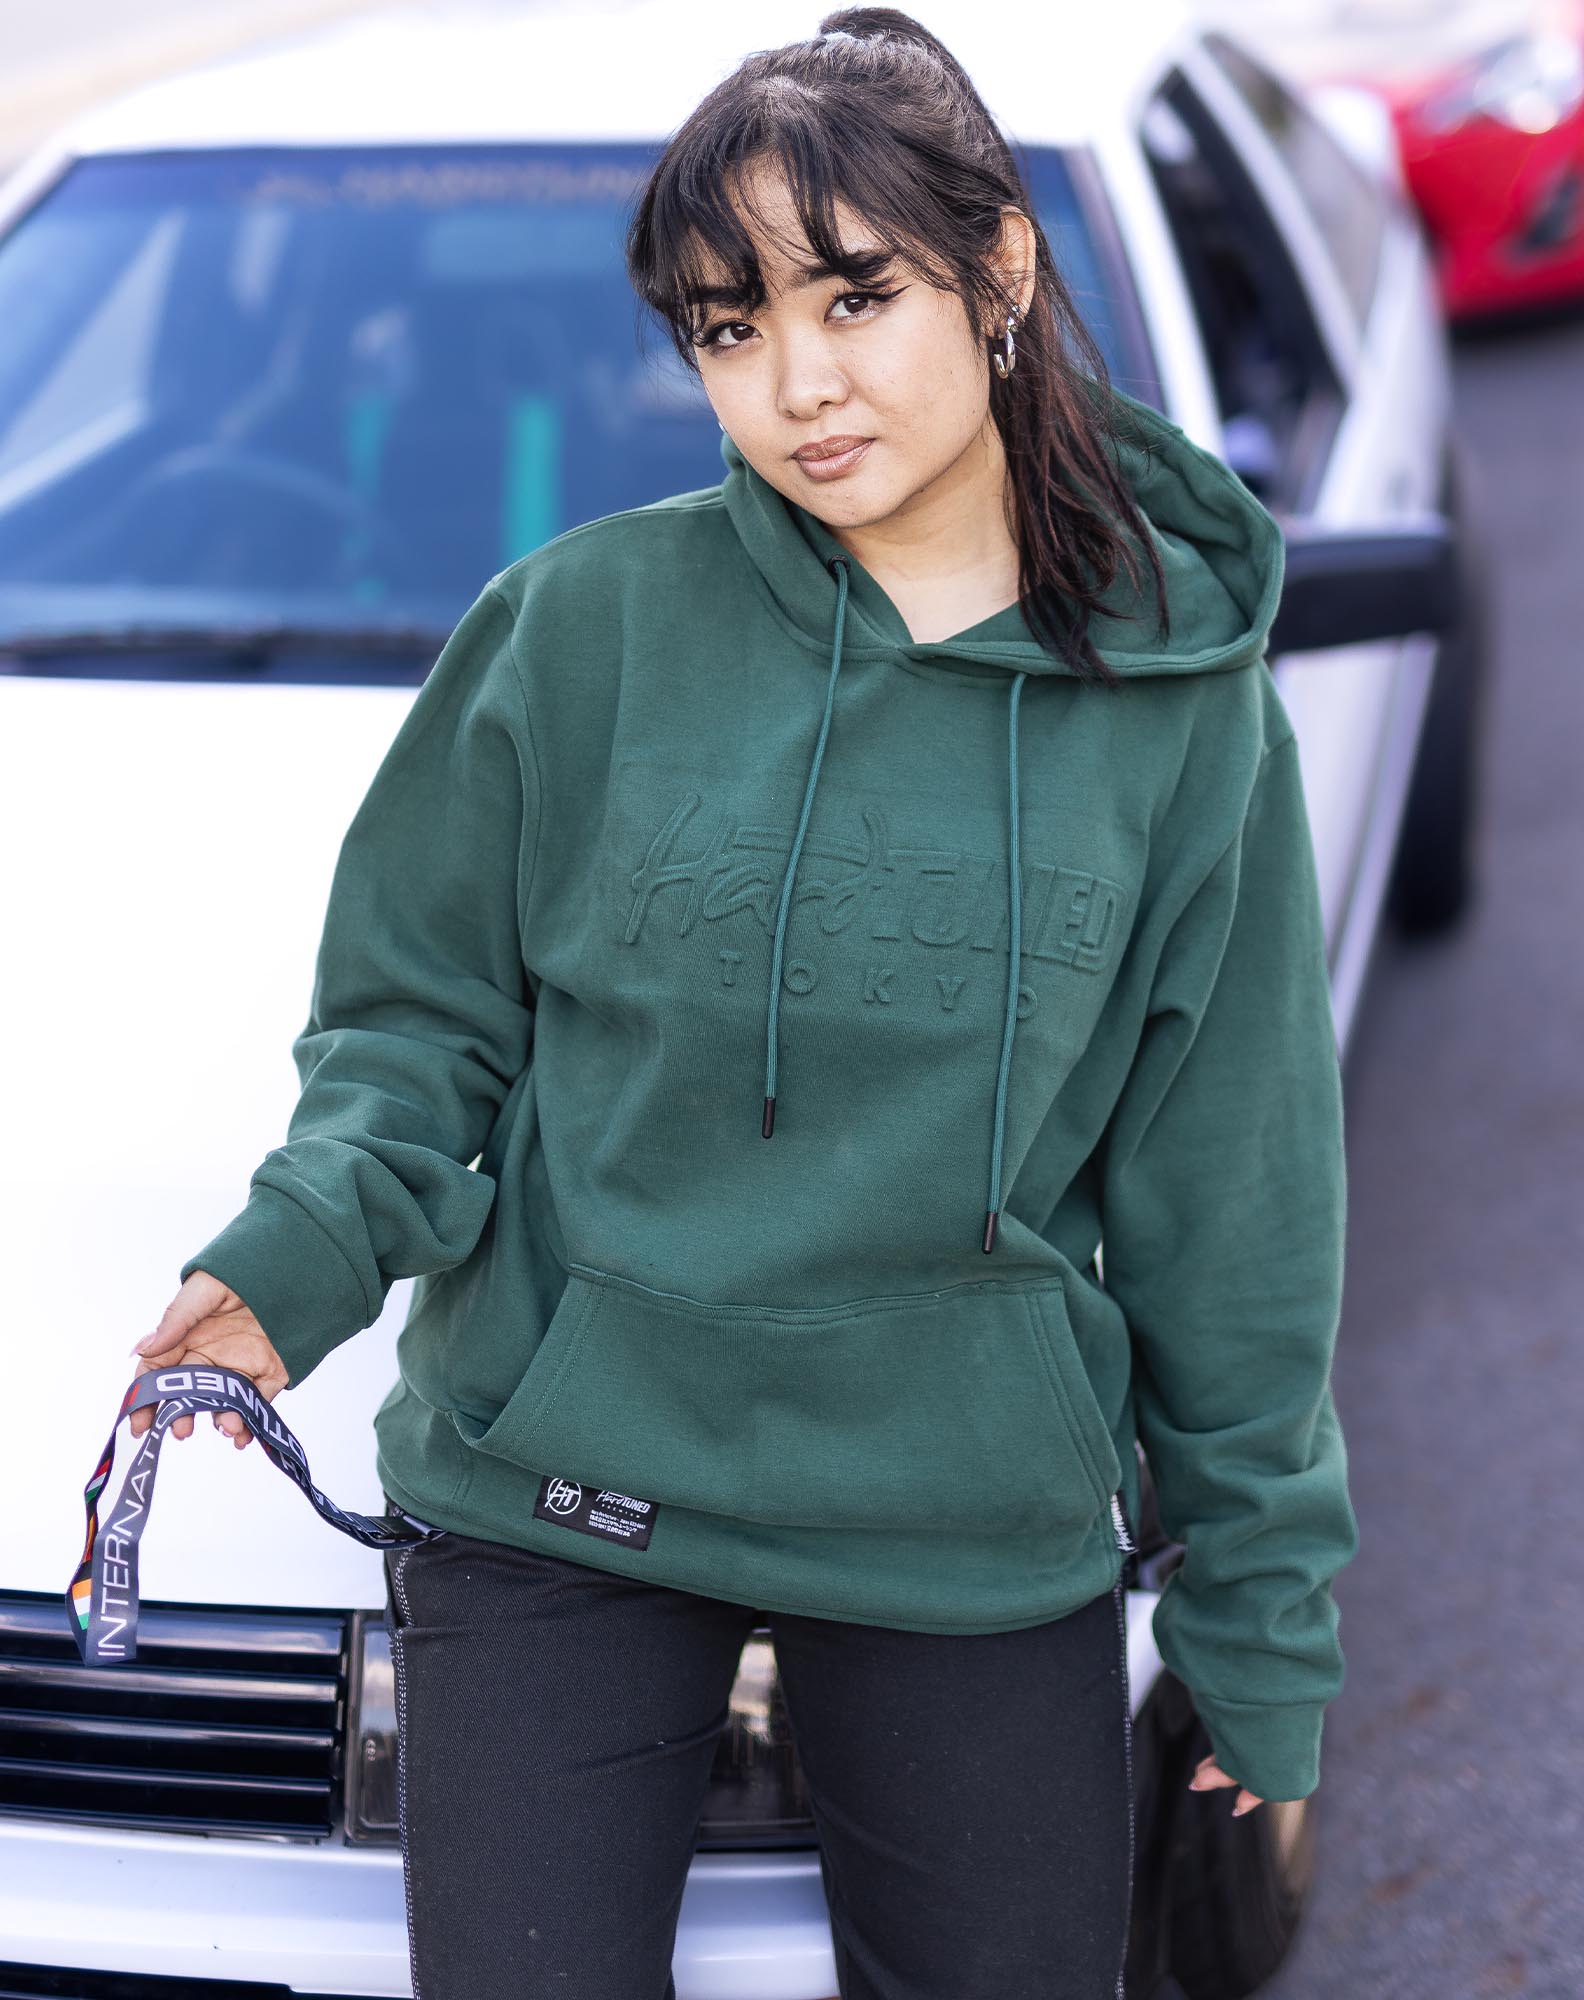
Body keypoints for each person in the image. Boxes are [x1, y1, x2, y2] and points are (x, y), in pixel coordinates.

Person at [127, 9, 1359, 1996]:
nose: (796, 384)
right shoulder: (580, 631)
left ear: (999, 271)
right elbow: (418, 1024)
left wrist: (1260, 1625)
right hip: (560, 1487)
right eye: (726, 327)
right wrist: (304, 1249)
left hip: (961, 1514)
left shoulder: (1182, 718)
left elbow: (1237, 1207)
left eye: (854, 297)